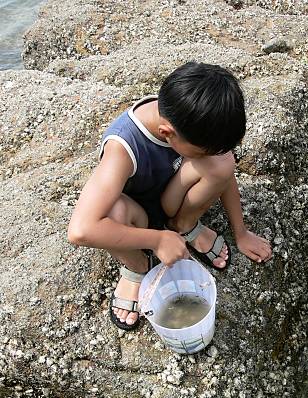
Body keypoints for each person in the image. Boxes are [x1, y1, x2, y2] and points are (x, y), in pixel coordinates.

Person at [68, 62, 272, 331]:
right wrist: (157, 240)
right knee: (112, 211)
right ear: (167, 133)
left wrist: (241, 232)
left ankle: (184, 224)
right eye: (202, 151)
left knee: (222, 162)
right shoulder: (122, 148)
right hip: (135, 216)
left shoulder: (188, 115)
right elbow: (80, 230)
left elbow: (223, 169)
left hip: (170, 198)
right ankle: (136, 265)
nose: (206, 155)